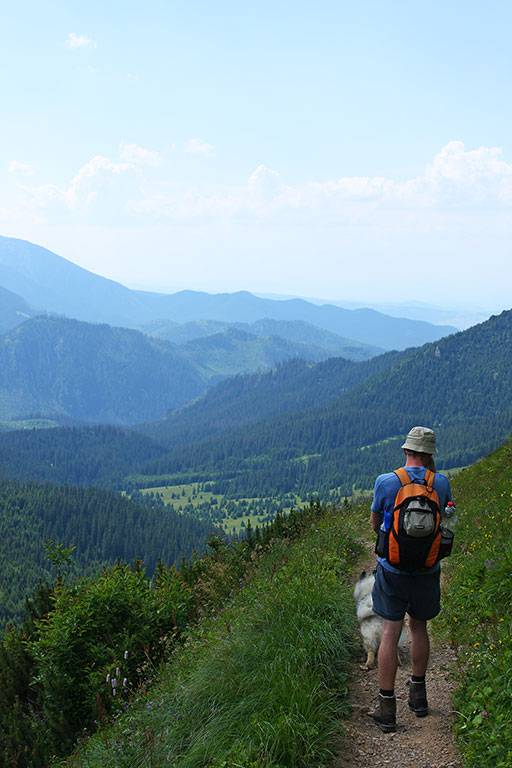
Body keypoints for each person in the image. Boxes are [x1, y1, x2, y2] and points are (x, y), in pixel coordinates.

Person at [369, 426, 453, 732]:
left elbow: (376, 521)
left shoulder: (387, 482)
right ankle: (419, 698)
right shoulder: (440, 483)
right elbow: (446, 520)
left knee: (390, 633)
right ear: (430, 455)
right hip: (427, 570)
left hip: (392, 571)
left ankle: (386, 709)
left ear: (406, 450)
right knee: (419, 629)